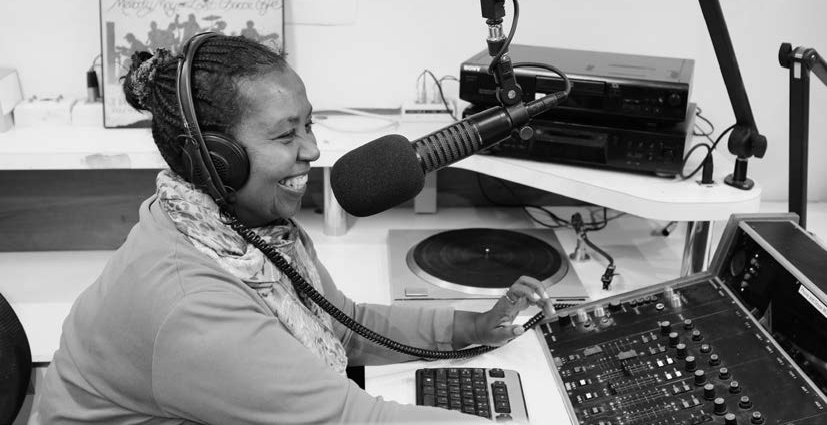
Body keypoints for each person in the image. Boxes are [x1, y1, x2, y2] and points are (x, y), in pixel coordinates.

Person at [32, 34, 555, 424]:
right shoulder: (191, 303)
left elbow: (344, 326)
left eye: (309, 124)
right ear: (217, 158)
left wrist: (472, 329)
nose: (313, 149)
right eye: (286, 135)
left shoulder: (241, 228)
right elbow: (354, 420)